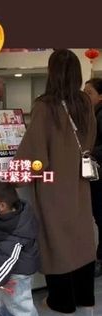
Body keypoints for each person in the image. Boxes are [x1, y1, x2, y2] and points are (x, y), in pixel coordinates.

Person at [14, 49, 97, 314]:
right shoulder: (85, 102)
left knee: (56, 238)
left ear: (52, 73)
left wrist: (14, 177)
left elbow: (35, 153)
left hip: (53, 184)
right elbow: (90, 140)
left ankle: (61, 300)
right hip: (79, 181)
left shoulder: (45, 106)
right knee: (82, 235)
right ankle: (85, 295)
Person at [0, 182, 42, 316]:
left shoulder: (16, 231)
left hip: (18, 270)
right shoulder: (6, 218)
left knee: (18, 299)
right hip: (6, 268)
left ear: (2, 206)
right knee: (4, 295)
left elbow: (10, 258)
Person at [84, 78, 102, 277]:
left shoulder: (100, 114)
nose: (85, 96)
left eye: (89, 92)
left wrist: (89, 151)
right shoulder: (92, 114)